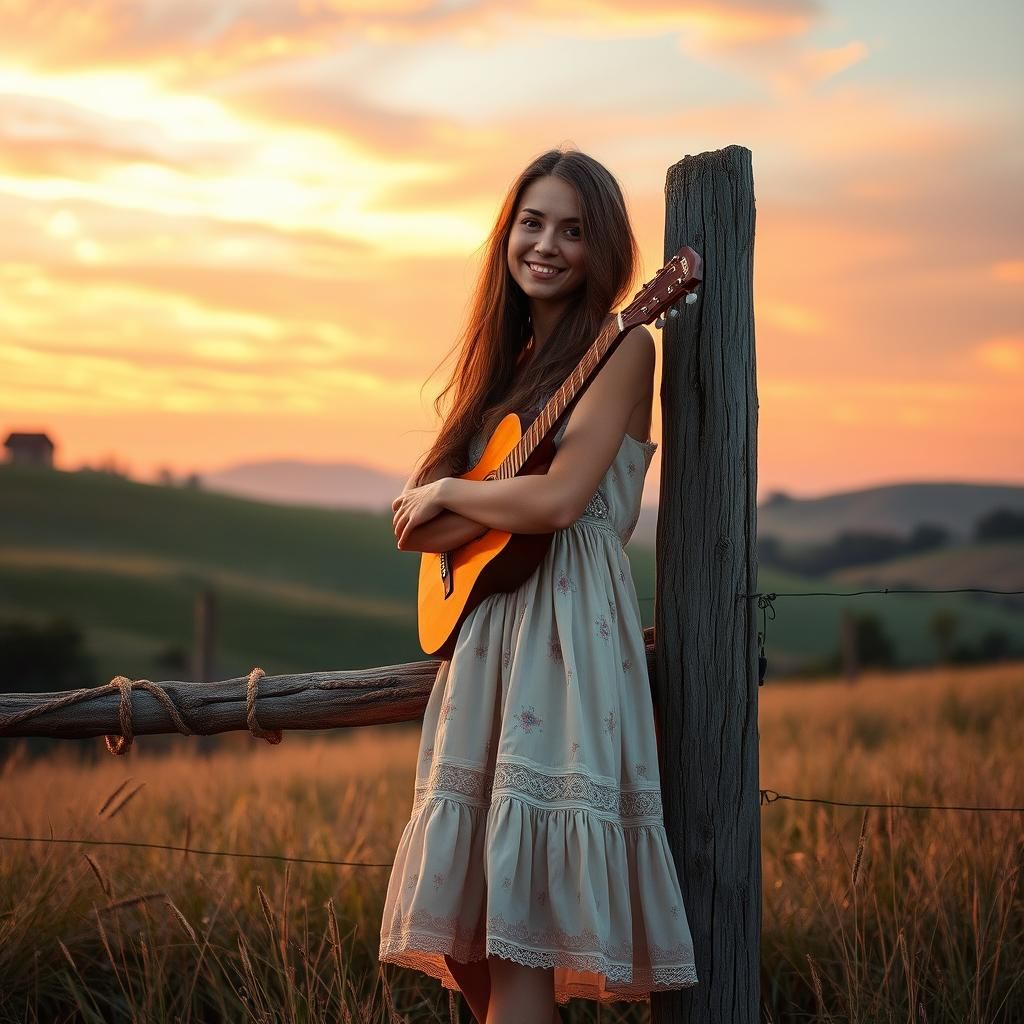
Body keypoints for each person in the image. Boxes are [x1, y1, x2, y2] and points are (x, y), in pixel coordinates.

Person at [380, 147, 697, 1023]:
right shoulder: (507, 368)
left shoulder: (626, 347)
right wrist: (466, 499)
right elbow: (418, 530)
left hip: (562, 638)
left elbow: (557, 500)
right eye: (532, 223)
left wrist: (454, 492)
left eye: (572, 230)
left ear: (606, 249)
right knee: (469, 936)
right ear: (507, 236)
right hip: (488, 644)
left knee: (517, 936)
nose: (547, 245)